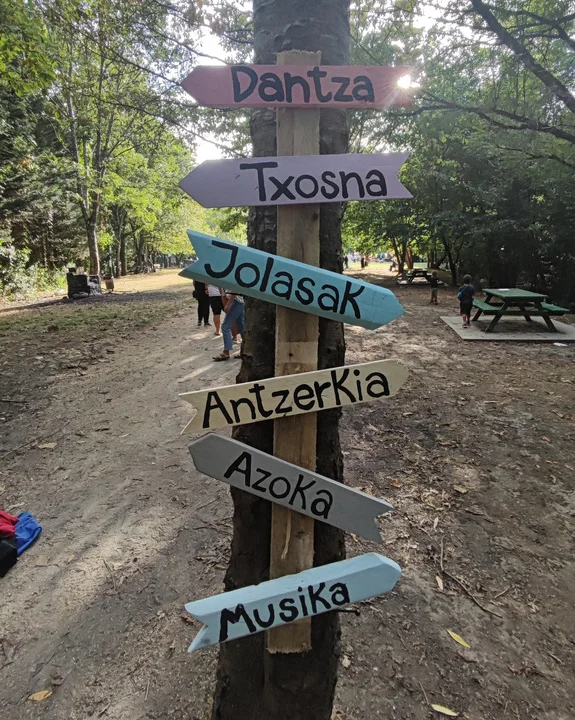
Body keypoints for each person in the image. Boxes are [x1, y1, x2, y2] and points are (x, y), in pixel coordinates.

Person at [213, 292, 244, 361]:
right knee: (241, 326)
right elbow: (223, 293)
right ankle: (244, 350)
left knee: (225, 326)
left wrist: (228, 304)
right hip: (240, 301)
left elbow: (235, 291)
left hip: (236, 301)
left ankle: (226, 352)